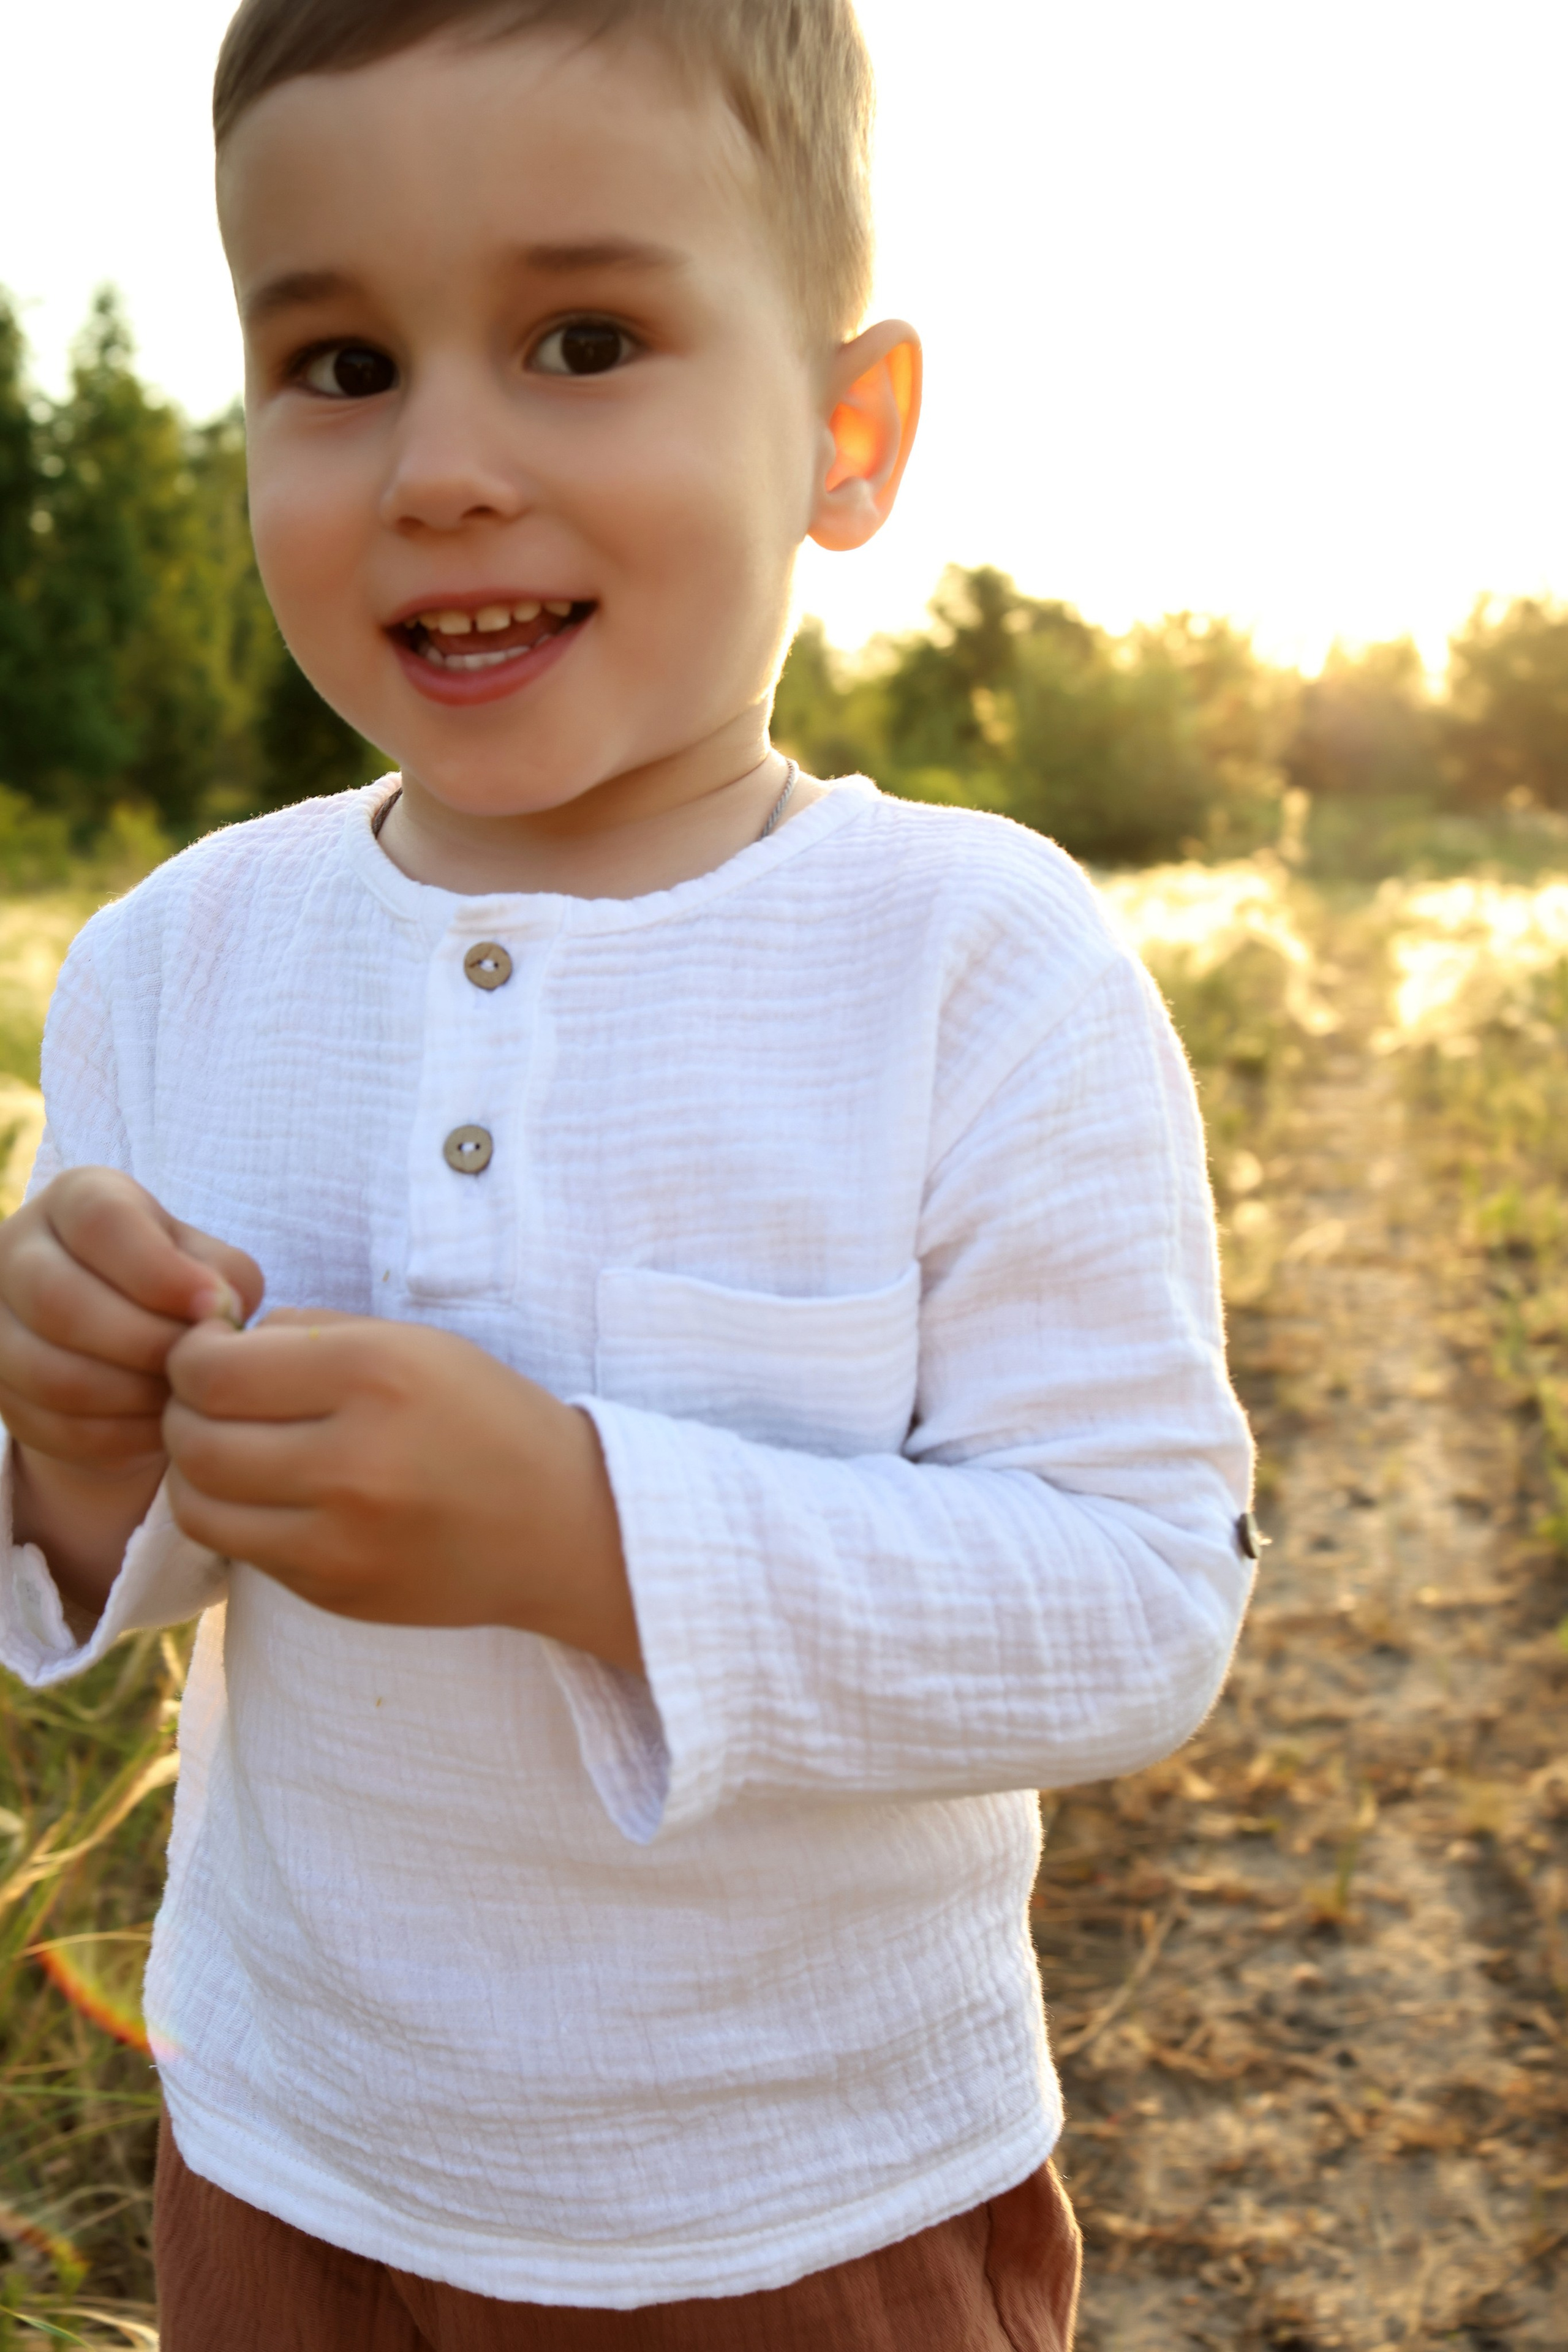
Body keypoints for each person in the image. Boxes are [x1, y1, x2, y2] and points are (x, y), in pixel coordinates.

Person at [0, 2, 1257, 2343]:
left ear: (846, 435)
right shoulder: (177, 962)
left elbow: (1135, 1600)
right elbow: (136, 1565)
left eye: (585, 339)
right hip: (284, 2152)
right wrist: (72, 1452)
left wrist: (585, 1531)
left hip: (792, 2200)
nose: (443, 468)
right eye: (342, 363)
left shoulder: (969, 964)